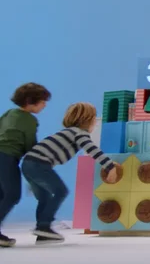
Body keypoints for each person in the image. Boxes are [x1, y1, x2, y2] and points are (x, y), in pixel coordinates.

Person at [23, 102, 119, 244]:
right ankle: (43, 227)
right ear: (89, 120)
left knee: (44, 198)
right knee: (60, 191)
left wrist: (34, 179)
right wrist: (110, 166)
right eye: (94, 119)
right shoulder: (79, 133)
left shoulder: (66, 133)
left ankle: (42, 232)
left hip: (28, 164)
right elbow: (92, 149)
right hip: (39, 164)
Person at [0, 83, 50, 247]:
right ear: (30, 101)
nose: (44, 105)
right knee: (12, 196)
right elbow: (30, 146)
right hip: (7, 159)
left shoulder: (9, 113)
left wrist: (3, 141)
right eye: (42, 101)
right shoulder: (30, 120)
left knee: (0, 197)